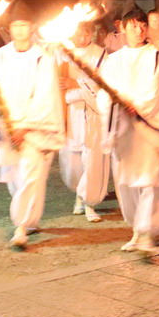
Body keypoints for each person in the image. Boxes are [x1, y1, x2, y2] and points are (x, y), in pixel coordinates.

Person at [0, 2, 65, 247]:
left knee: (30, 177)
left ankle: (21, 227)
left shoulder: (42, 59)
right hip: (8, 129)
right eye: (16, 26)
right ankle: (31, 219)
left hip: (34, 130)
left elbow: (46, 95)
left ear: (32, 27)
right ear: (10, 29)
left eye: (24, 25)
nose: (20, 30)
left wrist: (26, 126)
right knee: (16, 180)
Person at [97, 9, 159, 252]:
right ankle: (136, 229)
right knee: (126, 181)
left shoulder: (156, 55)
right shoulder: (113, 59)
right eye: (133, 26)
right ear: (122, 28)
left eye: (142, 25)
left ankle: (147, 231)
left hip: (148, 126)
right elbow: (104, 92)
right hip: (122, 128)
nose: (139, 30)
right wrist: (115, 104)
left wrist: (138, 106)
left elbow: (158, 89)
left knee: (150, 178)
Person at [57, 22, 110, 222]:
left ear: (92, 33)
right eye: (78, 32)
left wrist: (76, 85)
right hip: (72, 113)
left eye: (86, 32)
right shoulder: (63, 53)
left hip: (93, 112)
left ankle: (89, 203)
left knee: (93, 159)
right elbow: (59, 85)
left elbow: (103, 86)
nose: (82, 37)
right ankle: (79, 194)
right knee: (73, 161)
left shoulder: (101, 55)